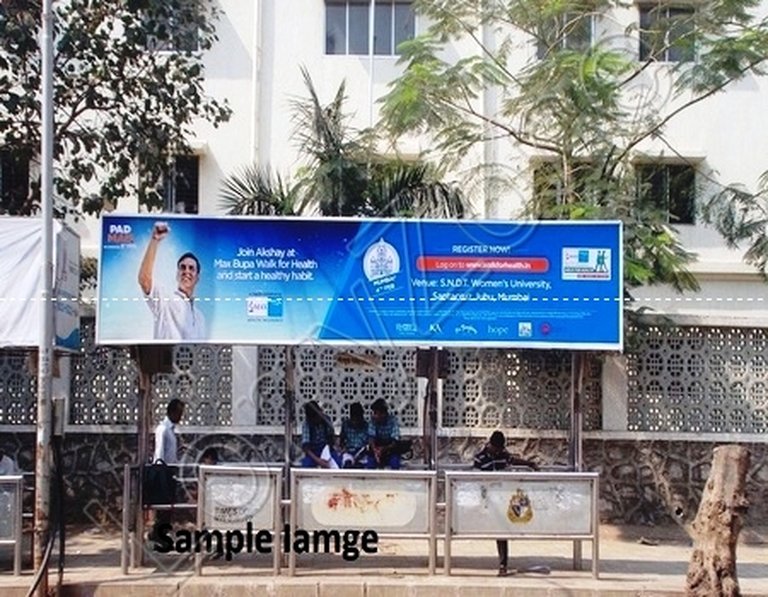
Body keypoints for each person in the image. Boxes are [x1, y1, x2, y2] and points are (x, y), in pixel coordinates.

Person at [473, 430, 539, 577]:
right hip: (488, 499)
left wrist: (530, 464)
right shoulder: (480, 458)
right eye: (497, 449)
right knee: (493, 529)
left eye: (500, 449)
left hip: (502, 499)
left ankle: (503, 564)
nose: (498, 451)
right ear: (491, 445)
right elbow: (475, 480)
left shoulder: (503, 455)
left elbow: (513, 460)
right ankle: (502, 563)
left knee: (501, 530)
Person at [138, 221, 206, 340]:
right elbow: (144, 280)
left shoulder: (200, 317)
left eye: (191, 268)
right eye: (182, 267)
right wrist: (155, 241)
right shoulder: (166, 299)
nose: (186, 271)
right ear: (177, 274)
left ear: (197, 277)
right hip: (165, 358)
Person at [301, 401, 339, 468]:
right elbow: (306, 448)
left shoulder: (326, 420)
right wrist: (319, 461)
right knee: (306, 466)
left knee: (337, 463)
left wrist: (327, 453)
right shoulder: (306, 424)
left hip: (326, 450)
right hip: (313, 453)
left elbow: (331, 438)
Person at [367, 398, 401, 469]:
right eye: (374, 413)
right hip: (376, 448)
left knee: (395, 463)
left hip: (390, 449)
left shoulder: (393, 421)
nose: (374, 415)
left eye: (376, 413)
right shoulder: (372, 421)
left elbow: (395, 441)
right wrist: (375, 451)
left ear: (383, 413)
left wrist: (383, 449)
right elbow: (371, 438)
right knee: (370, 464)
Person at [340, 402, 369, 468]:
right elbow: (341, 440)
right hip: (349, 451)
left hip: (362, 453)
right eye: (354, 417)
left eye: (358, 417)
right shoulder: (346, 424)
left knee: (360, 467)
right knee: (347, 465)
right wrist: (343, 448)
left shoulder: (366, 426)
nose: (356, 420)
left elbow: (369, 443)